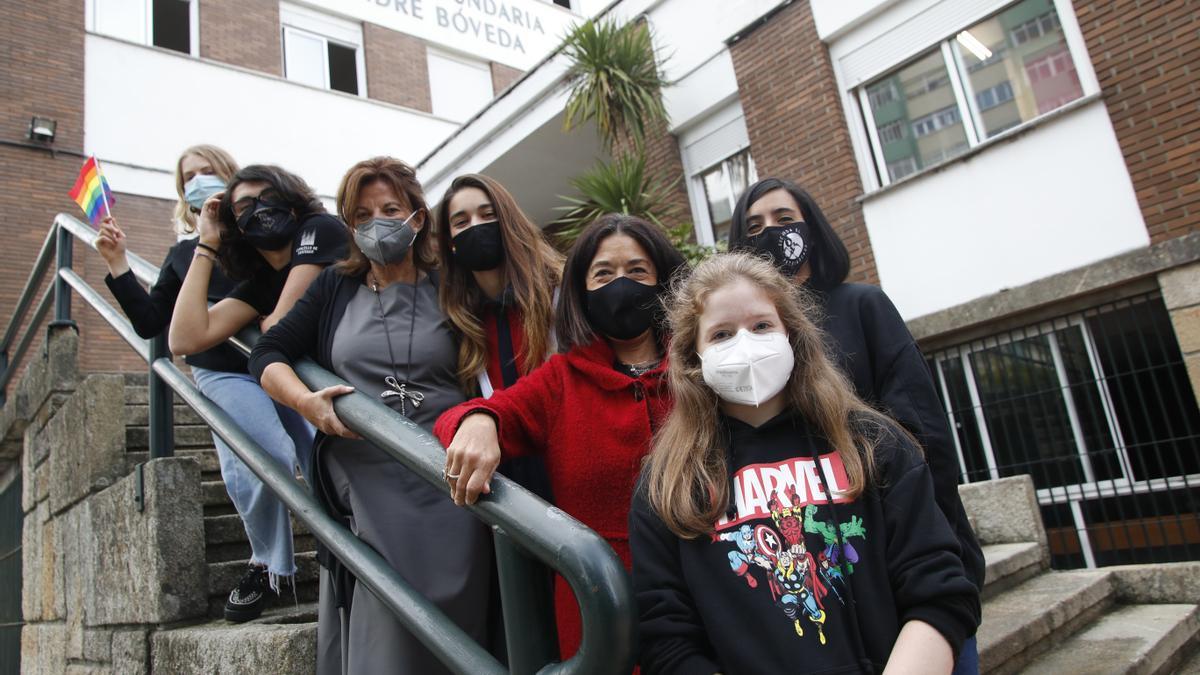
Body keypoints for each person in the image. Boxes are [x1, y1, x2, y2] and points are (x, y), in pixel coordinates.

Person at [629, 252, 981, 674]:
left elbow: (939, 591)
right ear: (692, 356)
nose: (745, 343)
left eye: (761, 326)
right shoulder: (669, 482)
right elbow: (667, 639)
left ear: (792, 335)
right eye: (721, 334)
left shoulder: (873, 444)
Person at [727, 178, 985, 671]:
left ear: (814, 228)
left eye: (784, 219)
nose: (770, 233)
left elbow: (923, 429)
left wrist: (932, 533)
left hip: (904, 542)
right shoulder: (748, 341)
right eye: (753, 226)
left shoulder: (862, 305)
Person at [249, 157, 494, 674]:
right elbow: (267, 354)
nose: (376, 223)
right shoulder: (334, 287)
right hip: (363, 465)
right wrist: (305, 402)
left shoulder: (452, 284)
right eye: (361, 215)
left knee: (466, 603)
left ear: (418, 218)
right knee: (386, 602)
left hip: (447, 461)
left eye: (389, 209)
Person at [435, 213, 687, 660]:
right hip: (602, 614)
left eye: (637, 270)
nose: (620, 284)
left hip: (702, 598)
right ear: (581, 291)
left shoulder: (703, 367)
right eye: (603, 273)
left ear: (665, 281)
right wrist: (478, 421)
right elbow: (472, 413)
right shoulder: (560, 381)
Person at [97, 146, 312, 622]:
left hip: (283, 363)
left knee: (315, 445)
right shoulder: (183, 254)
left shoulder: (264, 235)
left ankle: (349, 542)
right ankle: (268, 566)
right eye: (189, 176)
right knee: (264, 454)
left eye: (207, 171)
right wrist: (117, 263)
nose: (198, 181)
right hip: (220, 369)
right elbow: (153, 323)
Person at [168, 164, 347, 619]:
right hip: (323, 388)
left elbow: (279, 326)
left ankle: (327, 555)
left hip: (370, 380)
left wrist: (267, 321)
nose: (259, 211)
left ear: (291, 200)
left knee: (319, 460)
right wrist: (207, 244)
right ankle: (279, 565)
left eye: (267, 198)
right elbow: (183, 340)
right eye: (244, 207)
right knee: (280, 455)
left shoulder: (320, 230)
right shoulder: (260, 283)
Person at [434, 173, 562, 502]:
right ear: (450, 242)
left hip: (569, 468)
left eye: (487, 215)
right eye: (460, 222)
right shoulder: (459, 321)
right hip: (509, 488)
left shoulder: (560, 294)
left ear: (508, 221)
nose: (476, 226)